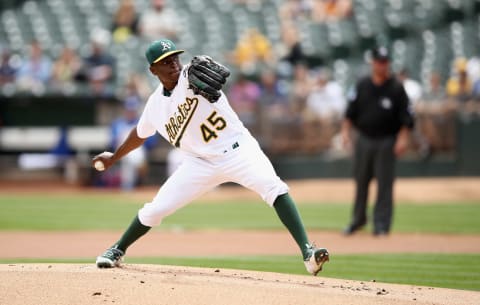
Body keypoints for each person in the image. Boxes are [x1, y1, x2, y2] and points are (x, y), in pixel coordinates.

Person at [92, 39, 329, 275]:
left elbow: (212, 78)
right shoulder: (155, 106)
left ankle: (308, 253)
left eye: (175, 57)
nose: (173, 63)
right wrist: (114, 157)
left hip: (239, 150)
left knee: (274, 187)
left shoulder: (191, 76)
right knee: (155, 209)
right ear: (153, 70)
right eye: (165, 61)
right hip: (199, 163)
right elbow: (139, 134)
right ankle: (117, 249)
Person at [341, 46, 414, 236]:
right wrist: (345, 133)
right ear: (372, 62)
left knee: (384, 184)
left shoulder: (396, 87)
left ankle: (381, 224)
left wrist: (402, 138)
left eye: (385, 62)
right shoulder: (362, 84)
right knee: (361, 181)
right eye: (379, 61)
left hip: (386, 140)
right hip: (364, 138)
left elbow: (407, 116)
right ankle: (358, 220)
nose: (382, 65)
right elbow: (350, 112)